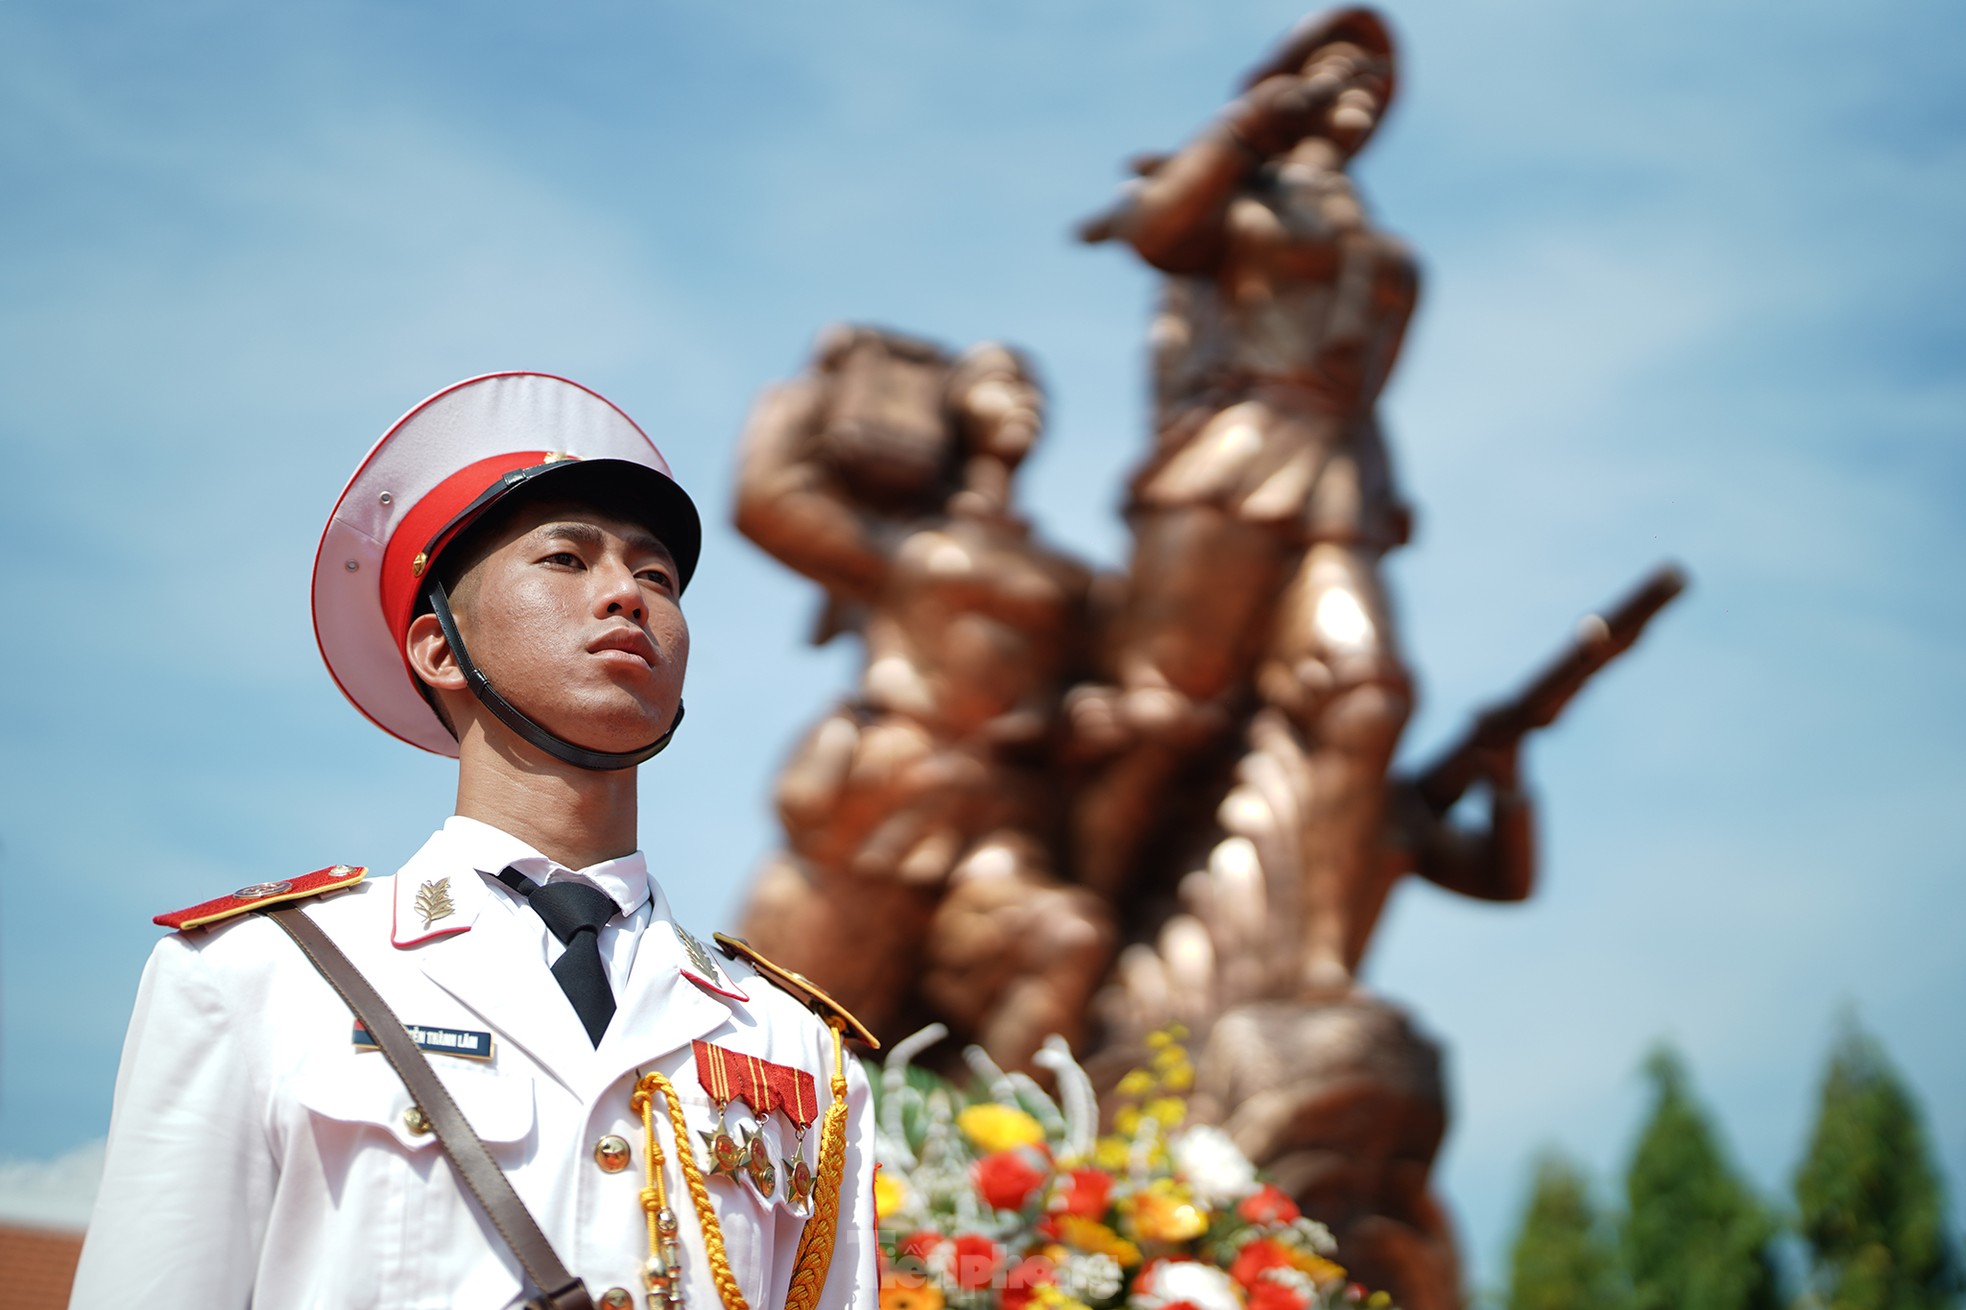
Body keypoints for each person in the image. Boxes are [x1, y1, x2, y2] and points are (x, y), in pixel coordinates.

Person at [68, 372, 879, 1310]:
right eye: (567, 561)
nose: (626, 594)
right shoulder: (262, 975)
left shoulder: (794, 1043)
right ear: (440, 650)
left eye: (655, 575)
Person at [732, 330, 1114, 1074]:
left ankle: (998, 1167)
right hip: (882, 800)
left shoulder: (1075, 582)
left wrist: (1097, 718)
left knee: (1067, 938)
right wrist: (826, 380)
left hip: (1003, 821)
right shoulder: (903, 545)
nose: (1024, 402)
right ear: (951, 409)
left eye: (1035, 388)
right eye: (999, 383)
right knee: (791, 1036)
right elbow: (765, 497)